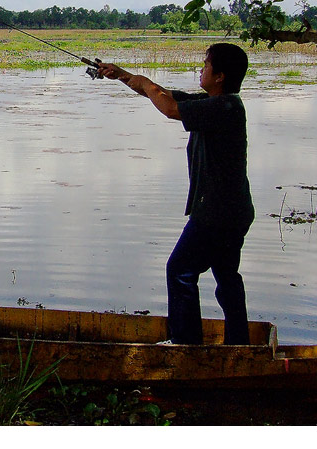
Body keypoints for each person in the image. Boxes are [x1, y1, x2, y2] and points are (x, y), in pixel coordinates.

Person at [97, 43, 254, 345]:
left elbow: (169, 109)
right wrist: (121, 75)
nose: (201, 69)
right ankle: (240, 345)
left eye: (206, 65)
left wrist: (142, 79)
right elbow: (161, 95)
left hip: (216, 213)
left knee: (180, 269)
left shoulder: (223, 107)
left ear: (220, 76)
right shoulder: (215, 104)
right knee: (227, 279)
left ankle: (185, 344)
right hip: (231, 211)